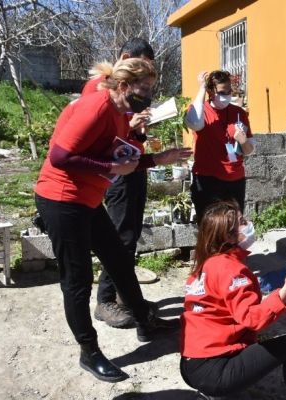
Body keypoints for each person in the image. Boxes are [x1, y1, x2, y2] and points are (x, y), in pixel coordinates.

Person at [34, 58, 180, 383]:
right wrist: (112, 168)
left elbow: (119, 157)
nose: (149, 95)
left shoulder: (119, 112)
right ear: (124, 86)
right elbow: (60, 156)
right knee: (77, 280)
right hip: (61, 199)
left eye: (152, 90)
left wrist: (158, 159)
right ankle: (89, 352)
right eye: (144, 89)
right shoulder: (97, 106)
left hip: (87, 198)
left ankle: (145, 320)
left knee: (118, 259)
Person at [85, 38, 191, 329]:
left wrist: (140, 132)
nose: (145, 87)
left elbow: (128, 139)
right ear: (126, 59)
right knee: (119, 238)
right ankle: (105, 300)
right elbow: (96, 141)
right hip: (116, 172)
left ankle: (125, 298)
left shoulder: (128, 97)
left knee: (129, 237)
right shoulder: (100, 90)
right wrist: (128, 128)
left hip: (135, 166)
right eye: (143, 70)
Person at [179, 201, 286, 400]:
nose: (249, 223)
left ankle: (213, 391)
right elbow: (252, 319)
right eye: (243, 222)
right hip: (213, 371)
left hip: (190, 364)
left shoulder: (206, 264)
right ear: (228, 236)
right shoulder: (231, 269)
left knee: (253, 342)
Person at [185, 70, 254, 223]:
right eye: (223, 92)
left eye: (229, 91)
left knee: (233, 229)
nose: (227, 95)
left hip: (235, 180)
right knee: (210, 230)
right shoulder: (200, 110)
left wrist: (243, 141)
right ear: (211, 91)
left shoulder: (239, 113)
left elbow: (249, 150)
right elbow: (194, 123)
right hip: (208, 180)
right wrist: (202, 88)